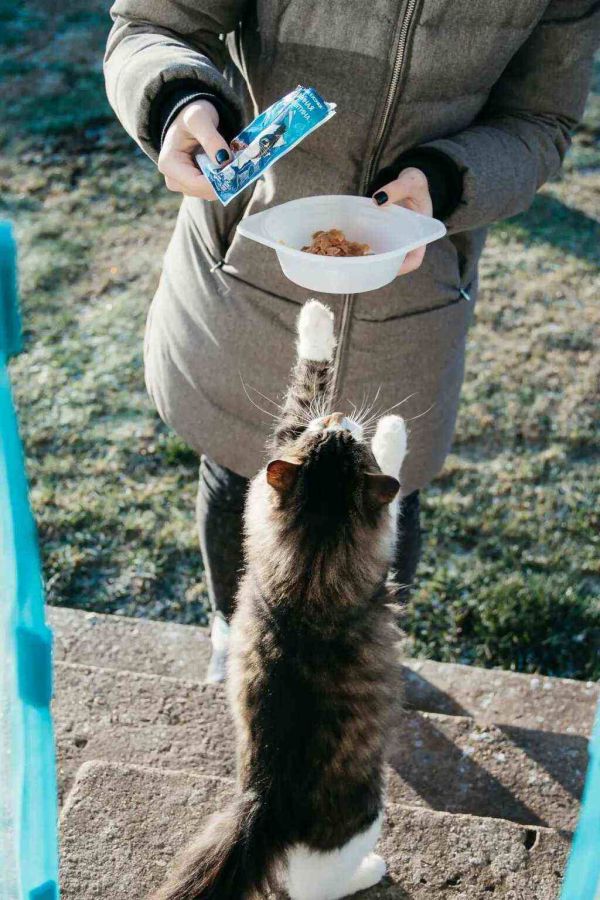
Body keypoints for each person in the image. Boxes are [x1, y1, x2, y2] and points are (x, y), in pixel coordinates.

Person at [104, 0, 599, 681]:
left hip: (414, 292)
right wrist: (176, 101)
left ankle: (355, 670)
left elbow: (540, 121)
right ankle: (233, 633)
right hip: (249, 261)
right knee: (238, 458)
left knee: (386, 488)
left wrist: (447, 179)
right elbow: (154, 23)